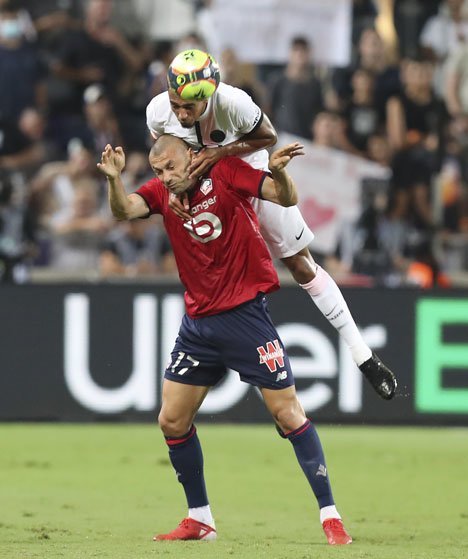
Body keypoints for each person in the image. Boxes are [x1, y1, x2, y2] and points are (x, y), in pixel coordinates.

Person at [97, 134, 352, 545]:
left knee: (288, 414)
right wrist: (114, 180)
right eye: (158, 171)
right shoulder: (163, 193)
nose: (165, 177)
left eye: (171, 168)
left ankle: (330, 515)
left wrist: (281, 174)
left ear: (192, 157)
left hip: (246, 317)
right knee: (172, 420)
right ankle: (200, 519)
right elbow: (125, 209)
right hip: (198, 324)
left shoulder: (226, 171)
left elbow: (282, 197)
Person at [146, 49, 397, 401]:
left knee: (301, 265)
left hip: (244, 171)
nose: (181, 114)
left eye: (190, 107)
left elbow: (268, 136)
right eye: (176, 104)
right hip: (203, 187)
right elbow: (163, 151)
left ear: (210, 95)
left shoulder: (233, 103)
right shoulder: (158, 111)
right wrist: (172, 188)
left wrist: (219, 153)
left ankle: (362, 354)